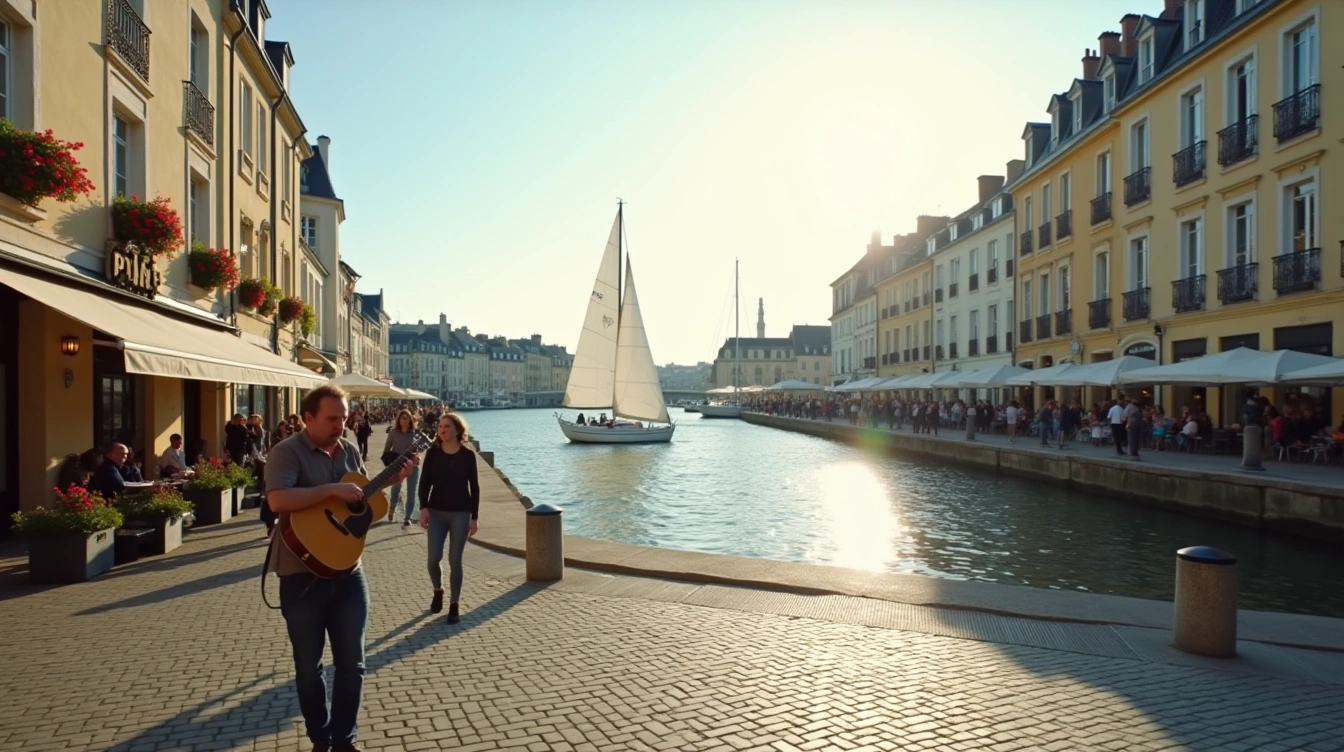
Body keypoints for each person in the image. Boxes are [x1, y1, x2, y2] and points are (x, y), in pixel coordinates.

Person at [265, 385, 417, 752]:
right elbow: (277, 500)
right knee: (309, 666)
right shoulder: (286, 452)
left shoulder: (348, 449)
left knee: (353, 664)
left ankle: (344, 740)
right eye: (333, 419)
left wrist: (394, 479)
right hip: (300, 574)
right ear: (309, 418)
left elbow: (361, 495)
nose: (341, 425)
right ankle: (320, 737)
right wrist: (331, 490)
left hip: (348, 572)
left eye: (344, 418)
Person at [417, 411, 480, 624]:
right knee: (433, 557)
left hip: (461, 513)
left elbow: (475, 487)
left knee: (455, 559)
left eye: (447, 426)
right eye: (440, 427)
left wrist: (474, 517)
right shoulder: (433, 454)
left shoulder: (468, 455)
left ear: (457, 430)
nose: (442, 430)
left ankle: (454, 604)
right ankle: (438, 590)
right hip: (436, 511)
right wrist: (423, 508)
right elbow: (424, 482)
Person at [383, 410, 422, 527]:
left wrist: (417, 458)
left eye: (407, 418)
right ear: (398, 420)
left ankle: (408, 517)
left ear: (411, 420)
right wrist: (392, 463)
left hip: (412, 466)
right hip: (397, 466)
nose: (405, 420)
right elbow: (386, 451)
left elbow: (417, 452)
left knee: (412, 491)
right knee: (396, 488)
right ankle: (392, 508)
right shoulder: (393, 433)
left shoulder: (414, 434)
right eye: (402, 418)